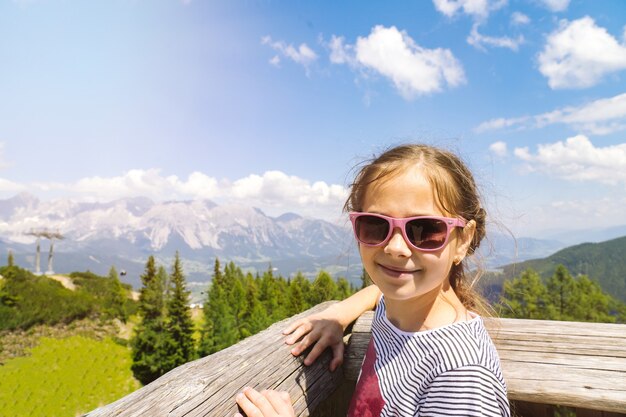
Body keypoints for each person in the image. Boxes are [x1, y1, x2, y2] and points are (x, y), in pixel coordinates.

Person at [235, 144, 510, 417]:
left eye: (425, 229)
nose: (395, 247)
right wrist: (338, 315)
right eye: (376, 225)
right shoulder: (399, 307)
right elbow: (377, 294)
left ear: (463, 240)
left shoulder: (461, 375)